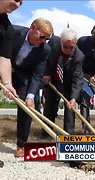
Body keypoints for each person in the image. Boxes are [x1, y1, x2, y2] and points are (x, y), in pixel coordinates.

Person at [11, 18, 53, 157]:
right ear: (32, 27)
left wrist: (30, 96)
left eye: (46, 39)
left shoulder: (45, 49)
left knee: (26, 108)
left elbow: (38, 74)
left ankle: (21, 145)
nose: (43, 41)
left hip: (22, 76)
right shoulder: (13, 31)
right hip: (3, 67)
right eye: (41, 36)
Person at [43, 29, 84, 136]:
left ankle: (68, 134)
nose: (68, 49)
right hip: (53, 80)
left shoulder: (79, 56)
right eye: (65, 46)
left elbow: (77, 78)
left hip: (69, 84)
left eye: (71, 47)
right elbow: (46, 59)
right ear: (60, 41)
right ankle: (47, 132)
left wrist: (74, 97)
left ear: (75, 44)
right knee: (49, 107)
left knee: (70, 107)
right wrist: (47, 74)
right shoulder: (53, 43)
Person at [0, 0, 22, 167]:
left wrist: (7, 83)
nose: (17, 4)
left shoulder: (7, 28)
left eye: (21, 2)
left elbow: (4, 58)